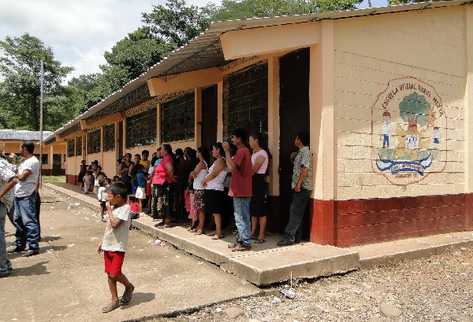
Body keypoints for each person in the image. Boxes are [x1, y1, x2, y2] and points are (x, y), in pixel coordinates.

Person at [97, 182, 135, 313]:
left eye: (110, 196)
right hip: (108, 245)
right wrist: (102, 241)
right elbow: (108, 227)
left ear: (118, 197)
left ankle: (129, 286)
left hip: (118, 247)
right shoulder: (113, 208)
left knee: (115, 273)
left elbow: (115, 224)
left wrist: (108, 209)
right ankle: (114, 300)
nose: (108, 199)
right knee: (109, 274)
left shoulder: (125, 208)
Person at [278, 132, 313, 246]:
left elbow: (304, 170)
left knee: (295, 212)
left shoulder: (305, 152)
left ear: (300, 140)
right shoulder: (300, 152)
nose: (294, 139)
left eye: (296, 138)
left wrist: (298, 184)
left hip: (302, 187)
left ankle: (289, 237)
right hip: (298, 187)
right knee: (297, 213)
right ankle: (297, 237)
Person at [223, 129, 253, 252]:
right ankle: (241, 240)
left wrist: (226, 151)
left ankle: (245, 242)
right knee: (243, 216)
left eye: (234, 137)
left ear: (239, 139)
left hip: (240, 189)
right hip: (242, 188)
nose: (232, 140)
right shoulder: (244, 151)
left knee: (240, 217)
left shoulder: (241, 151)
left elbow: (230, 167)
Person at [9, 142, 41, 257]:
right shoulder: (25, 161)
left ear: (25, 149)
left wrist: (12, 174)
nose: (19, 150)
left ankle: (33, 247)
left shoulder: (33, 161)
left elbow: (22, 177)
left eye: (20, 148)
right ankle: (20, 244)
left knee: (29, 221)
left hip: (26, 195)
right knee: (18, 220)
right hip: (19, 195)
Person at [203, 143, 227, 240]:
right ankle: (216, 230)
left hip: (216, 189)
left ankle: (219, 232)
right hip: (211, 188)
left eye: (213, 149)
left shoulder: (221, 160)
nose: (212, 151)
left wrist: (204, 180)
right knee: (213, 211)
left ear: (218, 150)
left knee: (216, 212)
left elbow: (214, 174)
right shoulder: (216, 161)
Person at [249, 133, 269, 243]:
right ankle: (252, 232)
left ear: (256, 141)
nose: (249, 142)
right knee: (253, 209)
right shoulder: (254, 153)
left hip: (259, 182)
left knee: (261, 210)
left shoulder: (262, 153)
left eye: (251, 140)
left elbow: (253, 170)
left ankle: (261, 235)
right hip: (253, 183)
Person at [0, 156, 19, 277]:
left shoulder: (0, 164)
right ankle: (5, 264)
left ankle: (2, 268)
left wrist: (0, 194)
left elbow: (14, 179)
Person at [151, 145, 175, 226]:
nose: (160, 151)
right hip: (160, 183)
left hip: (163, 183)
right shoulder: (164, 158)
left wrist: (166, 178)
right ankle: (164, 219)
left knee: (165, 202)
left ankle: (167, 221)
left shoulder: (167, 158)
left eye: (161, 149)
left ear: (166, 151)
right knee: (161, 202)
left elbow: (170, 170)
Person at [189, 147, 209, 234]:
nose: (196, 153)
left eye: (197, 152)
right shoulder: (202, 163)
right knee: (199, 209)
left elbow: (193, 174)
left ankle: (201, 227)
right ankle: (199, 226)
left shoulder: (201, 163)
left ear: (200, 153)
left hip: (200, 189)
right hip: (198, 188)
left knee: (201, 210)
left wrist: (191, 173)